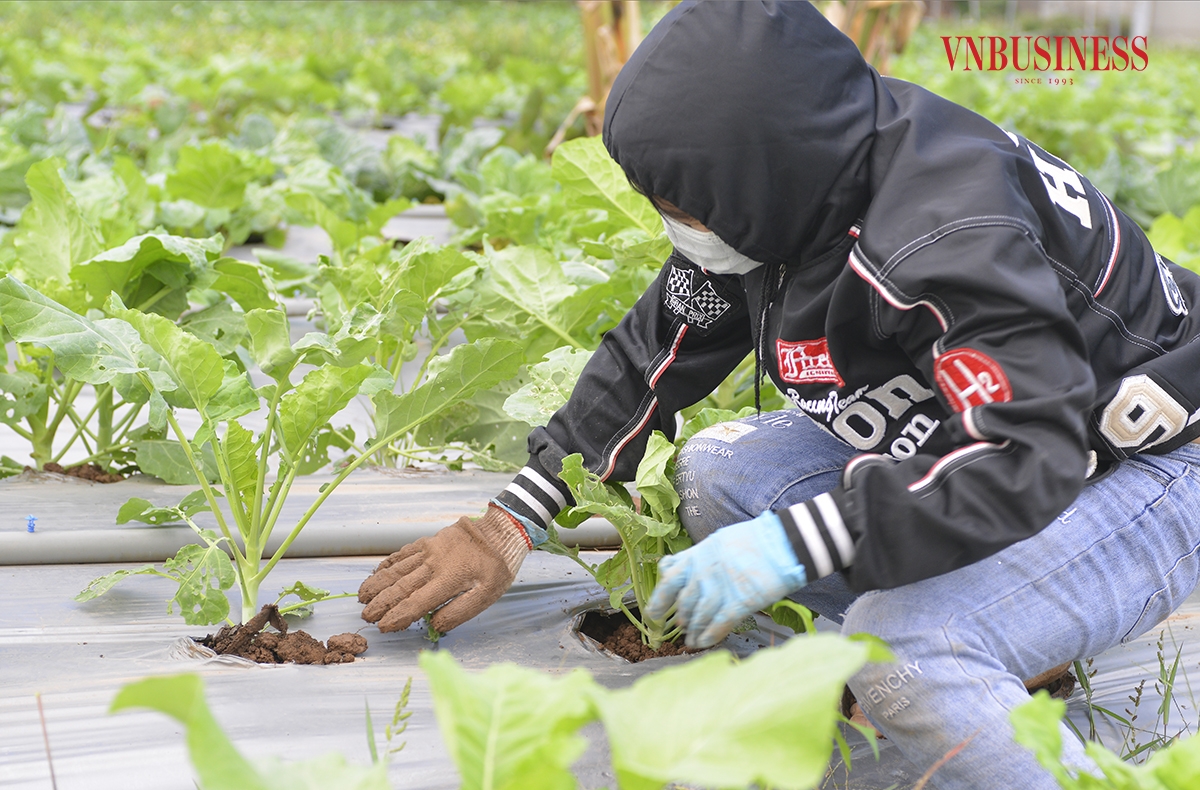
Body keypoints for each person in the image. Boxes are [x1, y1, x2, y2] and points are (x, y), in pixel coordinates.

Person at [358, 2, 1200, 786]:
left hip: (1142, 463)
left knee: (900, 649)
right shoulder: (797, 181)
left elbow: (1027, 451)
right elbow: (654, 352)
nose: (673, 221)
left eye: (679, 204)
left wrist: (800, 541)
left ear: (756, 178)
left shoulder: (949, 234)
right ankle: (1002, 652)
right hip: (974, 437)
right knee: (719, 472)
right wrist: (507, 522)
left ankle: (966, 668)